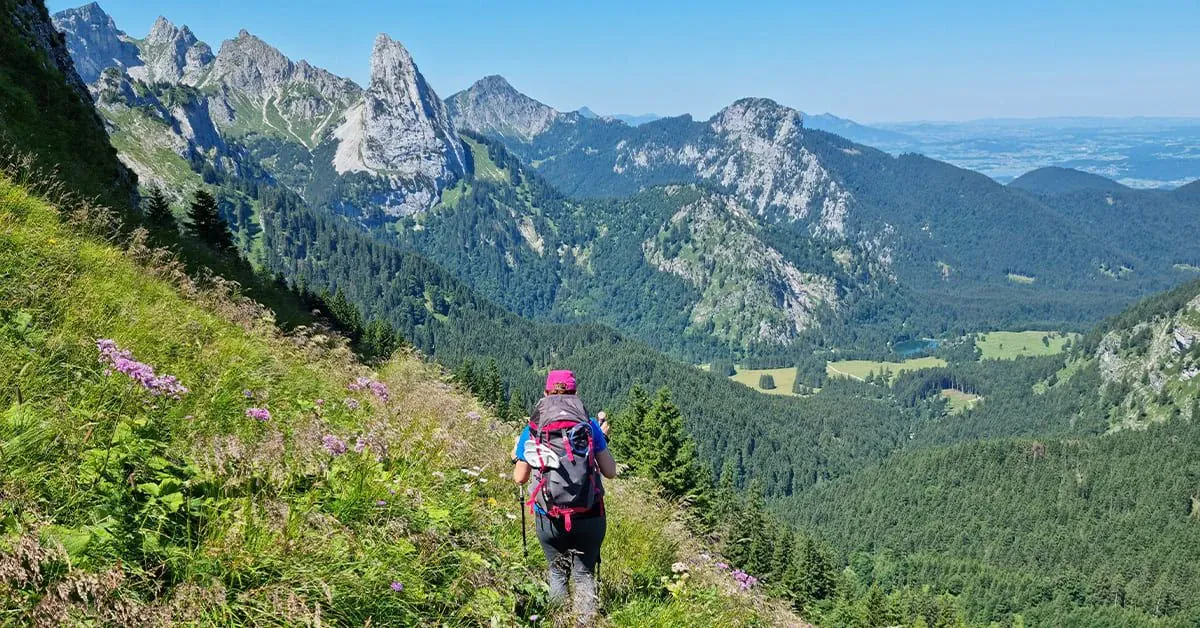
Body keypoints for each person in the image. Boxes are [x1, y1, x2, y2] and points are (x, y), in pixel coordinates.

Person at [512, 370, 617, 624]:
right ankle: (585, 623)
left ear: (546, 393)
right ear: (575, 393)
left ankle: (557, 621)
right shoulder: (589, 425)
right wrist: (601, 438)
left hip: (549, 516)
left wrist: (519, 454)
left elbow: (520, 478)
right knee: (583, 575)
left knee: (557, 574)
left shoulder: (534, 427)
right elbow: (610, 471)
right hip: (590, 513)